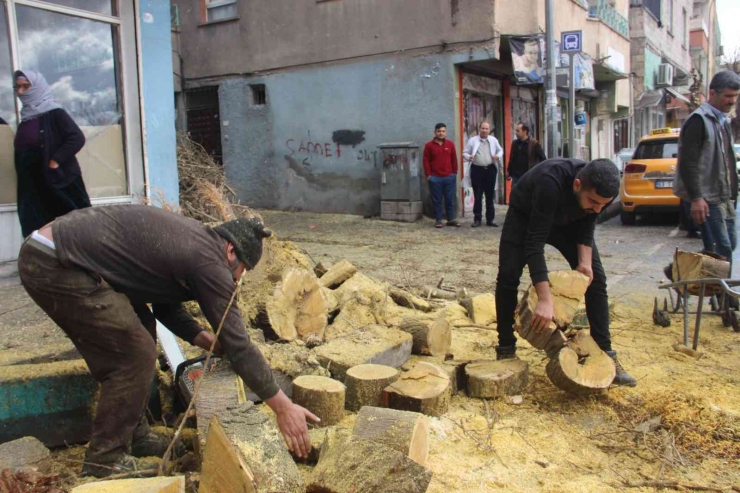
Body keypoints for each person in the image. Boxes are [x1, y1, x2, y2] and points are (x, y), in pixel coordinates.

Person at [18, 205, 319, 477]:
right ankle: (105, 459)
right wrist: (282, 406)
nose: (239, 278)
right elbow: (239, 346)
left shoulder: (198, 246)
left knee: (142, 328)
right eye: (243, 270)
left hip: (61, 254)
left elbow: (164, 305)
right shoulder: (209, 262)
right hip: (57, 263)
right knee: (134, 352)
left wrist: (207, 341)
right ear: (231, 251)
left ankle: (135, 437)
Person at [494, 158, 637, 387]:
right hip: (526, 217)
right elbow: (534, 244)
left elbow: (588, 222)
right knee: (508, 277)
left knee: (596, 280)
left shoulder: (593, 197)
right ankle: (505, 348)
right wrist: (544, 299)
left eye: (604, 205)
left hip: (569, 222)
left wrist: (584, 263)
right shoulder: (549, 181)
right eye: (594, 201)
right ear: (578, 184)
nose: (598, 209)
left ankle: (605, 354)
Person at [13, 70, 90, 237]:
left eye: (25, 87)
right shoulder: (27, 116)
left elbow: (76, 138)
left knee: (71, 225)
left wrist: (55, 160)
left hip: (56, 179)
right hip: (33, 182)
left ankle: (80, 259)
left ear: (37, 87)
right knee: (39, 227)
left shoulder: (54, 112)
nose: (20, 92)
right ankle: (45, 261)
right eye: (17, 87)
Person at [673, 70, 740, 264]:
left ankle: (681, 270)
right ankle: (721, 294)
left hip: (722, 195)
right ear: (712, 93)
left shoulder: (722, 121)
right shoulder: (698, 120)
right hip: (706, 197)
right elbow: (688, 163)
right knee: (722, 249)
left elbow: (726, 160)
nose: (732, 101)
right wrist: (696, 198)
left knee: (728, 245)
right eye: (728, 96)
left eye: (735, 96)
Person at [462, 121, 503, 227]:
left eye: (486, 129)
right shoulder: (472, 140)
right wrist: (469, 156)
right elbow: (464, 152)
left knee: (490, 196)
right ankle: (477, 219)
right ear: (479, 129)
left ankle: (490, 219)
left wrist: (497, 156)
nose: (484, 130)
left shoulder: (493, 140)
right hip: (477, 170)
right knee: (478, 195)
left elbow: (500, 150)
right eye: (483, 128)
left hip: (490, 170)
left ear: (489, 130)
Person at [423, 123, 460, 228]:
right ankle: (438, 220)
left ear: (446, 132)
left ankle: (451, 219)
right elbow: (426, 161)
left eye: (443, 131)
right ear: (435, 132)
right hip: (435, 178)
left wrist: (454, 174)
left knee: (450, 199)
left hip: (449, 177)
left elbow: (454, 160)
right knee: (437, 200)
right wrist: (429, 176)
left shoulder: (450, 144)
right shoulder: (428, 146)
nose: (441, 133)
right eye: (439, 131)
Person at [506, 122, 547, 188]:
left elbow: (543, 158)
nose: (515, 133)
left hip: (529, 175)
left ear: (525, 132)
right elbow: (512, 158)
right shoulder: (514, 143)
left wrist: (540, 172)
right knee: (515, 195)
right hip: (516, 176)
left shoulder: (534, 144)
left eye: (518, 131)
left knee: (527, 195)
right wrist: (509, 171)